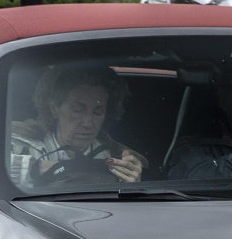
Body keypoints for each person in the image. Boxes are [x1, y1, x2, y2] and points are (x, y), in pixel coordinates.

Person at [9, 63, 146, 191]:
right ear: (54, 108)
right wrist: (34, 168)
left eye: (98, 112)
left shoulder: (118, 159)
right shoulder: (18, 146)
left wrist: (133, 187)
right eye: (77, 110)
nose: (87, 123)